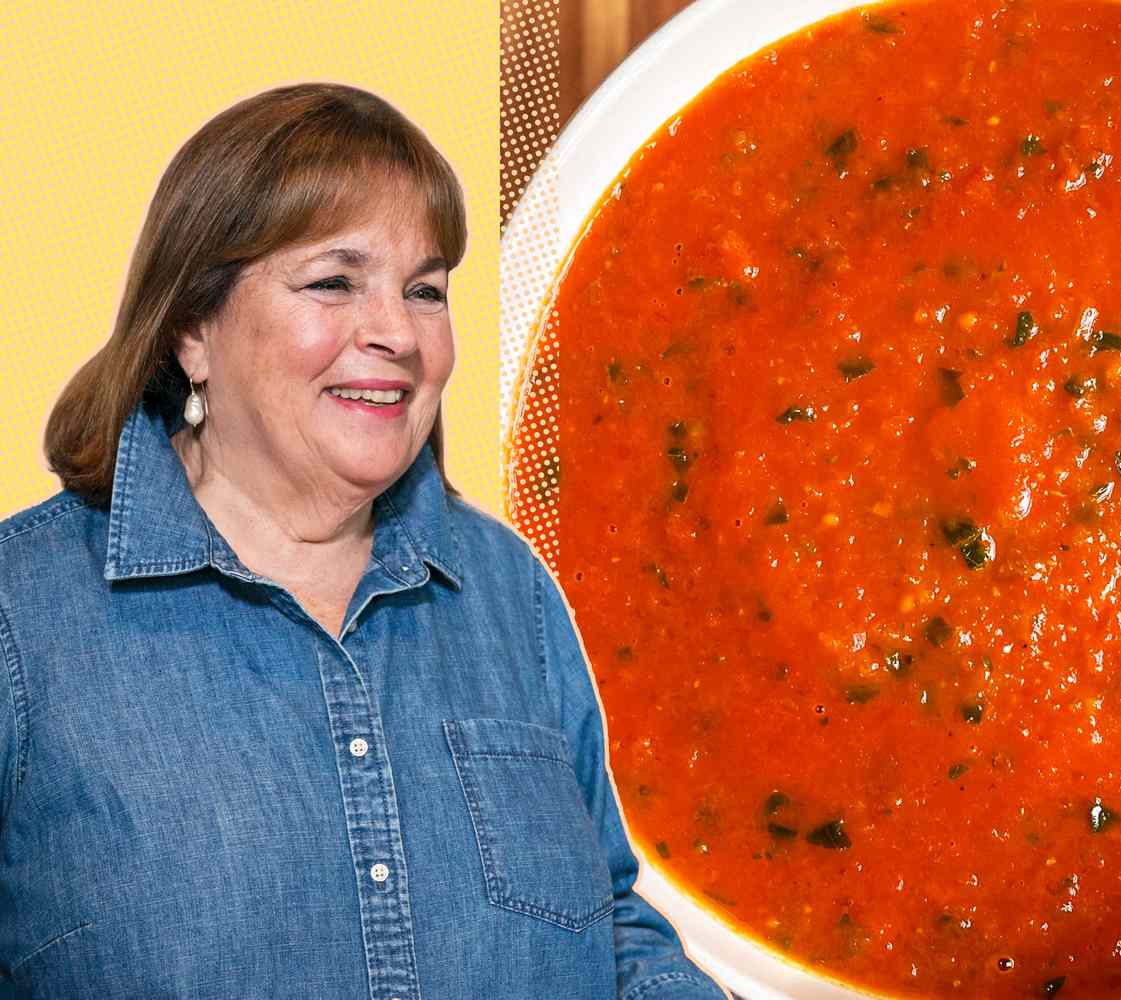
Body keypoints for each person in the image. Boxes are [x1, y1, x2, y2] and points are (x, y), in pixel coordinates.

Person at [0, 83, 724, 1000]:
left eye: (425, 290)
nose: (397, 333)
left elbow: (612, 931)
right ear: (192, 327)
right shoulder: (22, 619)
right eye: (334, 283)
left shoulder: (507, 589)